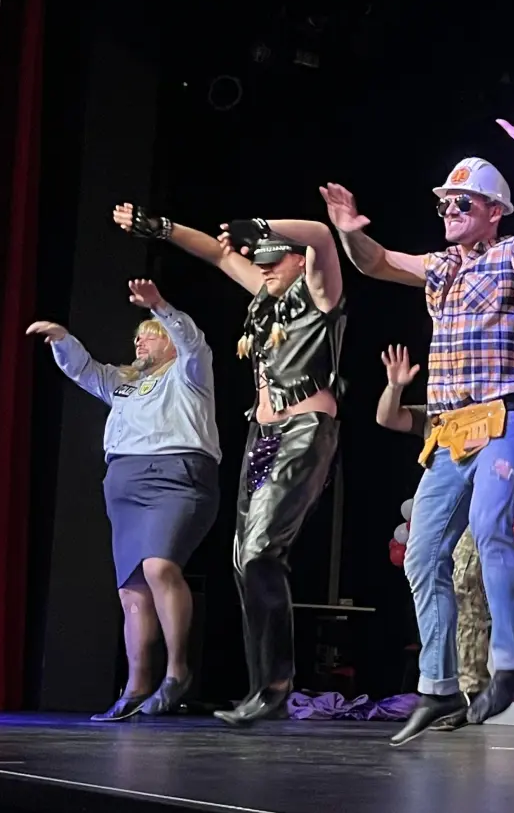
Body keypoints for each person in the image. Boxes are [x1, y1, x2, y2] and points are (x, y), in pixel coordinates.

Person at [320, 92, 514, 745]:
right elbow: (376, 263)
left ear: (493, 213)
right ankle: (436, 686)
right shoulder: (439, 268)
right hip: (448, 429)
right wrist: (350, 231)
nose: (449, 212)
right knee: (422, 554)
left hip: (502, 415)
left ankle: (510, 664)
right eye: (444, 204)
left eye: (462, 204)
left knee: (491, 527)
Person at [113, 204, 347, 727]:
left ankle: (276, 685)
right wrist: (163, 228)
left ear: (296, 259)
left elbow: (324, 237)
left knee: (263, 550)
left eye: (272, 259)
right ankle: (264, 685)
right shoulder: (266, 297)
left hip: (305, 431)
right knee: (245, 558)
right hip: (260, 432)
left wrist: (263, 227)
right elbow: (220, 254)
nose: (262, 268)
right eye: (258, 261)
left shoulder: (320, 295)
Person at [28, 280, 220, 721]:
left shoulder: (189, 372)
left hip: (175, 474)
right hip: (124, 483)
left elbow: (192, 339)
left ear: (169, 342)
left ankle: (177, 672)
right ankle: (136, 686)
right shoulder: (124, 382)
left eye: (149, 333)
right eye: (137, 335)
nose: (139, 340)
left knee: (159, 567)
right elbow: (86, 371)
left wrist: (161, 307)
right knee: (132, 590)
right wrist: (63, 339)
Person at [375, 344, 493, 712]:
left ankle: (470, 692)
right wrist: (395, 386)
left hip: (477, 521)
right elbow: (387, 418)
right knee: (432, 576)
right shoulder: (438, 419)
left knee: (472, 603)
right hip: (446, 521)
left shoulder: (489, 411)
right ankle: (448, 689)